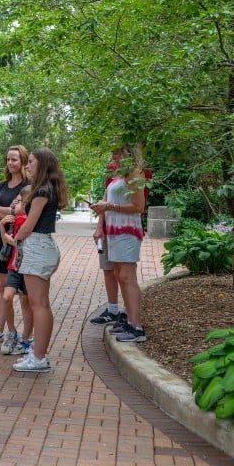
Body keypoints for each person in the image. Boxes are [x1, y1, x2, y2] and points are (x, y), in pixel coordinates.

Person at [12, 148, 68, 373]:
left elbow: (29, 223)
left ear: (42, 164)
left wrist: (15, 239)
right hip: (41, 246)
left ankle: (39, 357)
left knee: (38, 304)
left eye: (32, 162)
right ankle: (38, 354)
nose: (28, 165)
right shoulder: (48, 189)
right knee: (40, 303)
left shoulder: (42, 191)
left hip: (37, 247)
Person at [90, 145, 148, 342]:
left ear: (126, 154)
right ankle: (129, 322)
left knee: (127, 276)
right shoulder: (117, 174)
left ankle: (136, 327)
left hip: (127, 231)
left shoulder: (134, 174)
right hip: (114, 231)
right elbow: (108, 199)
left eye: (116, 153)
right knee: (120, 276)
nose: (112, 156)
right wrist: (103, 208)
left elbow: (138, 206)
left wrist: (109, 206)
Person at [0, 145, 30, 348]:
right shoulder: (2, 185)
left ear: (23, 161)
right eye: (8, 160)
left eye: (15, 160)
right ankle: (4, 330)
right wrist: (1, 210)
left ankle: (23, 335)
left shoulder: (29, 186)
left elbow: (18, 211)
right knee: (1, 288)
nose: (10, 163)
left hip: (16, 241)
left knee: (20, 293)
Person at [0, 186, 34, 355]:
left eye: (19, 201)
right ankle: (11, 332)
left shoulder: (32, 221)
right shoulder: (15, 219)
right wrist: (1, 226)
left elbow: (25, 246)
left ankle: (27, 339)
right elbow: (6, 240)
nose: (15, 204)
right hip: (14, 265)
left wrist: (10, 240)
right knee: (6, 297)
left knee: (26, 303)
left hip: (27, 266)